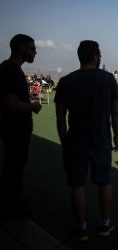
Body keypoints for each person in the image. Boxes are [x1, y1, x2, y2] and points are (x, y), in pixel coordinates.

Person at [54, 40, 118, 241]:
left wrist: (64, 140)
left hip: (75, 140)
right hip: (101, 140)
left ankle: (81, 228)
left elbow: (60, 118)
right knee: (104, 183)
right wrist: (116, 136)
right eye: (99, 55)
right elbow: (115, 113)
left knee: (77, 184)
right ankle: (105, 223)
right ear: (94, 56)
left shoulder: (66, 81)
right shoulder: (108, 79)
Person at [0, 34, 42, 219]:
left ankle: (11, 201)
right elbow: (10, 104)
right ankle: (10, 206)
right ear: (21, 48)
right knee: (14, 166)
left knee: (14, 165)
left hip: (13, 128)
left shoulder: (9, 68)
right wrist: (32, 106)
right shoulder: (11, 70)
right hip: (15, 129)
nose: (35, 52)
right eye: (32, 48)